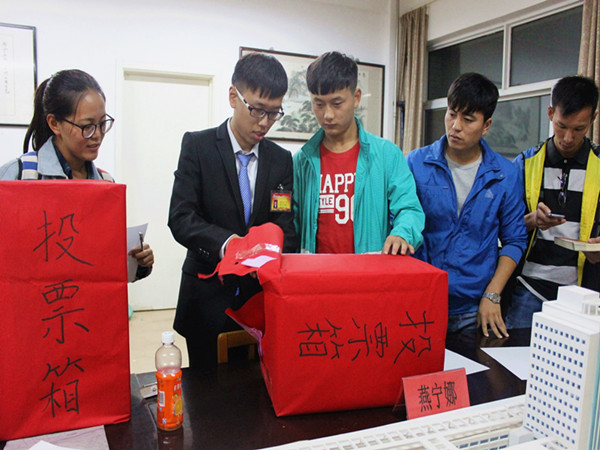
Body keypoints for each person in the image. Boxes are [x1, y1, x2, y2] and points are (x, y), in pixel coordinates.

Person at [168, 53, 297, 368]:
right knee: (206, 390)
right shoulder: (198, 147)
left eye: (274, 113)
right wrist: (230, 246)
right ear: (233, 97)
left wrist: (268, 256)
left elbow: (284, 223)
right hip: (206, 298)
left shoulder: (280, 160)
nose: (264, 122)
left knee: (255, 389)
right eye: (257, 110)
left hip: (259, 299)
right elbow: (181, 217)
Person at [0, 69, 154, 280]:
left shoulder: (106, 184)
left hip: (84, 300)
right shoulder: (20, 175)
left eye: (102, 124)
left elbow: (103, 264)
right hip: (34, 298)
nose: (97, 135)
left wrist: (137, 262)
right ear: (54, 124)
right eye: (87, 126)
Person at [407, 72, 527, 338]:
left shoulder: (504, 175)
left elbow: (515, 240)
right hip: (420, 301)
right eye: (451, 114)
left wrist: (493, 294)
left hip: (473, 309)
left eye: (468, 119)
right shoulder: (417, 163)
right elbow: (400, 224)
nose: (455, 126)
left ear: (486, 125)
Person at [293, 51, 424, 255]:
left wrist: (402, 234)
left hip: (368, 271)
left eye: (337, 104)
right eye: (318, 104)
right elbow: (291, 222)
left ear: (356, 98)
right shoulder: (302, 161)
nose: (327, 115)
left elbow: (409, 208)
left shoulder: (386, 155)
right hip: (316, 271)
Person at [504, 76, 600, 328]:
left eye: (579, 129)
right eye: (561, 126)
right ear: (550, 113)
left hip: (584, 294)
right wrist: (532, 220)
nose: (568, 137)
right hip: (529, 287)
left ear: (593, 118)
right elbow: (502, 228)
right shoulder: (525, 164)